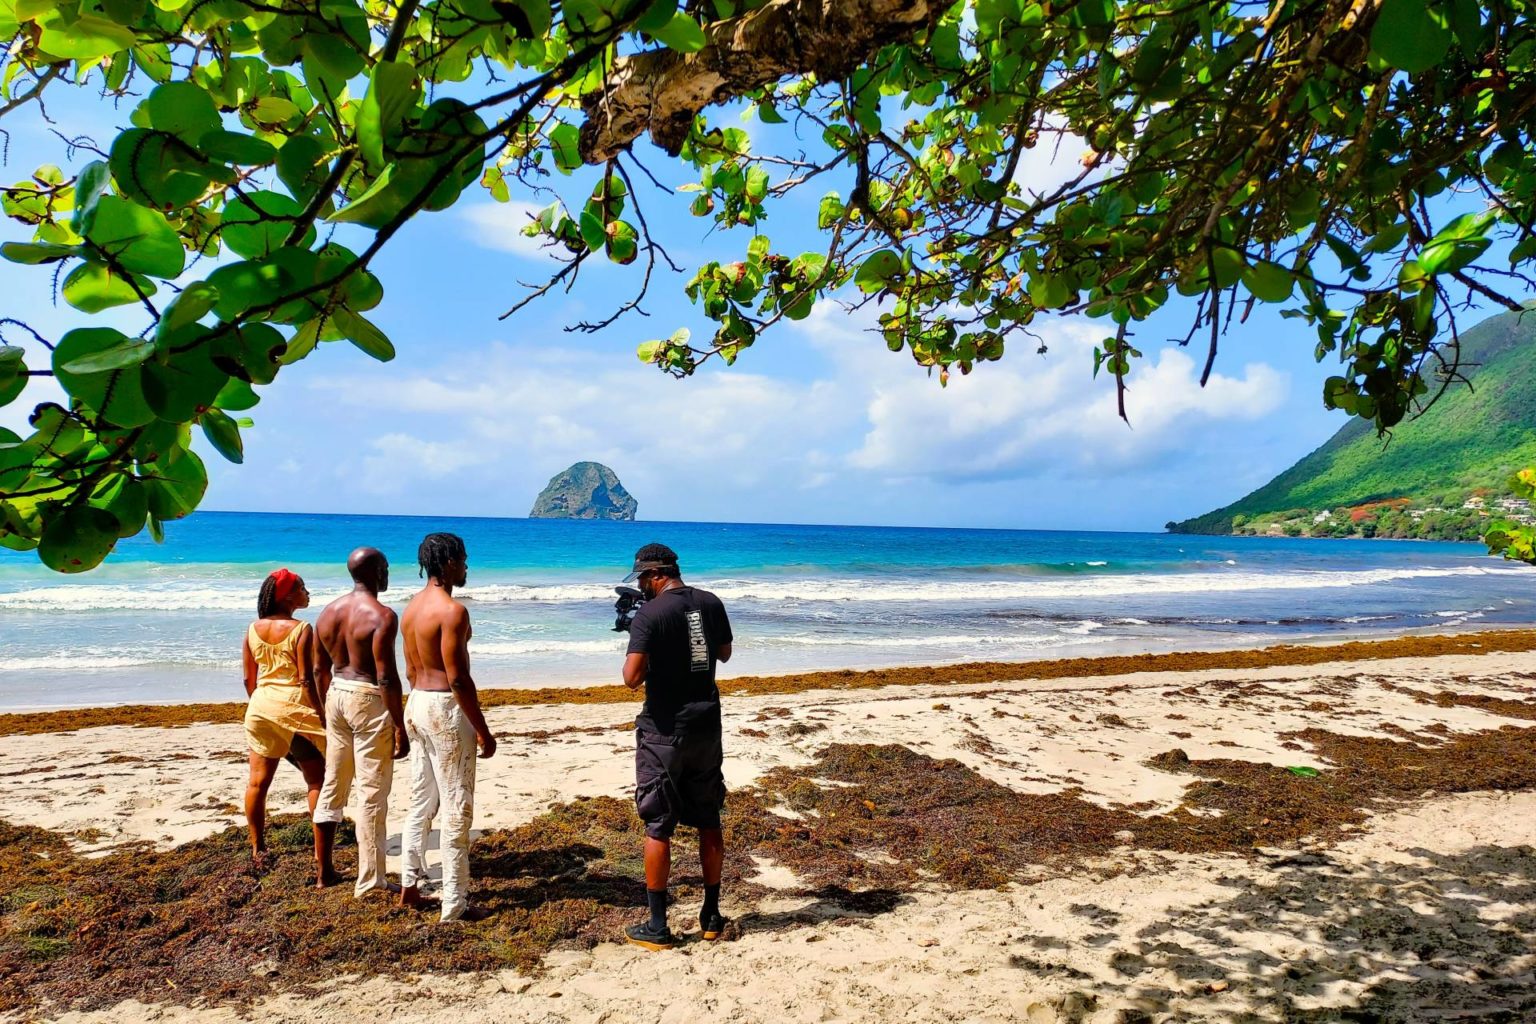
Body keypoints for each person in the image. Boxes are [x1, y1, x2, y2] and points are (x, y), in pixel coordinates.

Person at [619, 542, 734, 951]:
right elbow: (723, 653)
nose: (643, 588)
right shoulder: (711, 602)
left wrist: (645, 639)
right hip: (706, 724)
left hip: (664, 729)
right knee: (708, 817)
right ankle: (712, 915)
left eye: (643, 581)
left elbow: (631, 678)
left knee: (658, 824)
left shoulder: (650, 614)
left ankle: (657, 924)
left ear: (653, 576)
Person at [398, 532, 497, 921]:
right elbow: (458, 678)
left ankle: (409, 885)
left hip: (417, 701)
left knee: (421, 799)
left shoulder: (410, 608)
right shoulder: (452, 612)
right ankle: (454, 904)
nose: (467, 566)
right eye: (463, 559)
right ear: (448, 563)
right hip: (444, 708)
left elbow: (408, 669)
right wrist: (483, 728)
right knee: (457, 806)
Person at [313, 547, 409, 896]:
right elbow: (386, 676)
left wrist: (325, 710)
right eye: (385, 568)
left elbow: (317, 669)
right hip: (368, 697)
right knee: (371, 792)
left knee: (333, 784)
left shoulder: (328, 613)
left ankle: (324, 871)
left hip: (336, 693)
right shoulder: (382, 616)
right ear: (375, 572)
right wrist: (398, 723)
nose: (388, 574)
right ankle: (370, 881)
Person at [241, 568, 329, 876]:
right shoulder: (302, 628)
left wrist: (260, 703)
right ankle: (322, 859)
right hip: (294, 707)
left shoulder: (253, 629)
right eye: (303, 588)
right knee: (316, 779)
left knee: (257, 782)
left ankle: (257, 848)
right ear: (288, 596)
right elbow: (307, 679)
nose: (308, 593)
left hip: (261, 706)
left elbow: (248, 680)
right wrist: (322, 714)